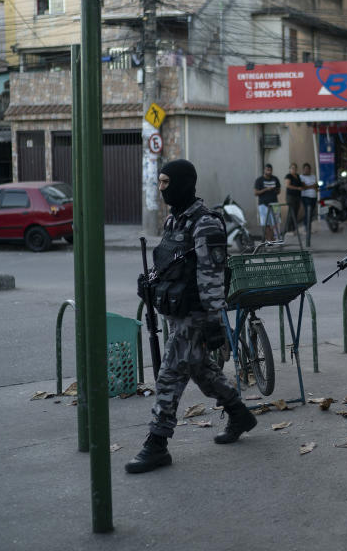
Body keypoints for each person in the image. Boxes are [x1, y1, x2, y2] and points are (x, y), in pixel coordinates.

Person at [126, 159, 257, 474]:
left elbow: (211, 276)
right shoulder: (176, 220)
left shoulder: (205, 223)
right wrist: (151, 282)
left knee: (170, 373)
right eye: (159, 183)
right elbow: (170, 260)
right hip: (177, 310)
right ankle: (239, 413)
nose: (161, 189)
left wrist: (214, 320)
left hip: (196, 313)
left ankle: (157, 442)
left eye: (166, 183)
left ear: (184, 184)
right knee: (199, 368)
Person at [254, 163, 281, 240]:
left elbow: (279, 191)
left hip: (274, 204)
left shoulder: (275, 179)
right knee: (266, 224)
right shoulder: (259, 180)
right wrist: (266, 189)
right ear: (264, 170)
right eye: (267, 169)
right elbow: (256, 193)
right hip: (263, 205)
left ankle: (275, 239)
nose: (269, 171)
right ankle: (269, 240)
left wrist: (274, 190)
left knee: (276, 223)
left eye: (270, 170)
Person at [299, 162, 319, 246]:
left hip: (313, 197)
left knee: (311, 213)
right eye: (305, 169)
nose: (307, 170)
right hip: (305, 196)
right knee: (308, 211)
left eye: (308, 169)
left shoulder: (313, 176)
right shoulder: (301, 177)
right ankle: (306, 228)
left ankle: (308, 227)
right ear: (303, 169)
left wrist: (311, 186)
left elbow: (316, 186)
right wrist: (311, 186)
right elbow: (303, 187)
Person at [283, 163, 303, 233]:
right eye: (292, 168)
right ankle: (288, 229)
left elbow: (301, 184)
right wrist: (297, 188)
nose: (294, 169)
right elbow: (288, 185)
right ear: (290, 169)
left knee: (296, 211)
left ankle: (293, 228)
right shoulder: (288, 176)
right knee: (291, 212)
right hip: (291, 196)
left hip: (297, 196)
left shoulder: (297, 176)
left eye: (295, 168)